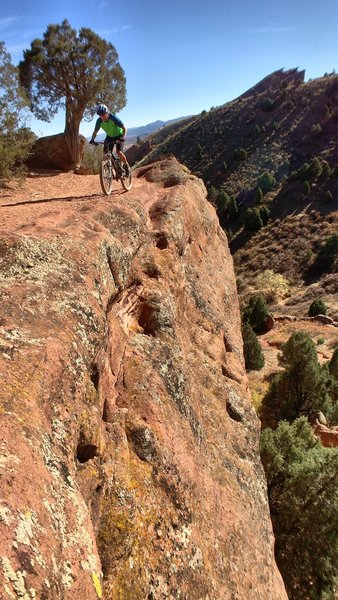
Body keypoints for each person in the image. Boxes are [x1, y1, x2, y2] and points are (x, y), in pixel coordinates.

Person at [90, 104, 130, 175]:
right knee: (106, 154)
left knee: (118, 152)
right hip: (109, 136)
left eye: (103, 114)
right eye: (100, 115)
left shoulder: (113, 118)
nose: (102, 116)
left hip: (119, 135)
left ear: (107, 112)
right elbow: (95, 132)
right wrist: (92, 139)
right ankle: (111, 170)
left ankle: (126, 165)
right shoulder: (99, 121)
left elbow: (125, 128)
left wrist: (122, 138)